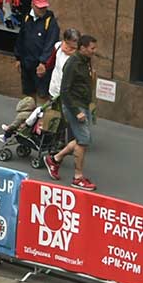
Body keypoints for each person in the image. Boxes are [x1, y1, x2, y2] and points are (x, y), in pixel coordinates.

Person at [44, 33, 99, 189]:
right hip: (74, 107)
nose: (94, 51)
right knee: (83, 141)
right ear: (82, 48)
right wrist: (76, 111)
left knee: (83, 138)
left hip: (84, 104)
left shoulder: (86, 60)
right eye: (92, 48)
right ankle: (78, 177)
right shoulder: (72, 64)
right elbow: (65, 91)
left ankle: (54, 159)